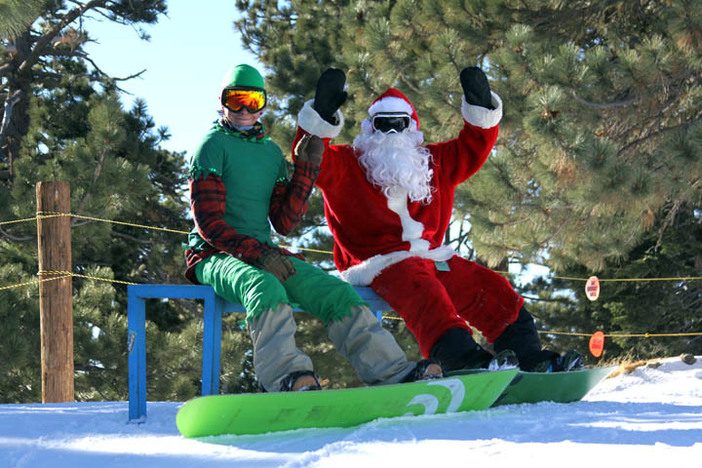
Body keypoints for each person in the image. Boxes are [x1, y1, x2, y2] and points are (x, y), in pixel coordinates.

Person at [293, 67, 583, 373]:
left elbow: (473, 147)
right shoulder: (348, 164)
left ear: (412, 127)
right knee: (425, 294)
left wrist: (480, 105)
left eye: (399, 124)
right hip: (377, 263)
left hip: (431, 257)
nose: (391, 133)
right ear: (370, 128)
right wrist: (320, 116)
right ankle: (465, 360)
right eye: (383, 125)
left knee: (487, 286)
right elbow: (310, 159)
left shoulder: (433, 162)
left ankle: (527, 356)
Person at [183, 64, 442, 393]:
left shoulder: (270, 153)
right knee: (265, 288)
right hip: (214, 255)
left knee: (335, 292)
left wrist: (306, 170)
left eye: (253, 100)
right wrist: (258, 255)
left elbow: (284, 222)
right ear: (222, 103)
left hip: (264, 253)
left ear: (263, 104)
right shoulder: (211, 146)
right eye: (236, 100)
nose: (245, 109)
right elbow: (209, 225)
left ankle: (392, 372)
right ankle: (286, 378)